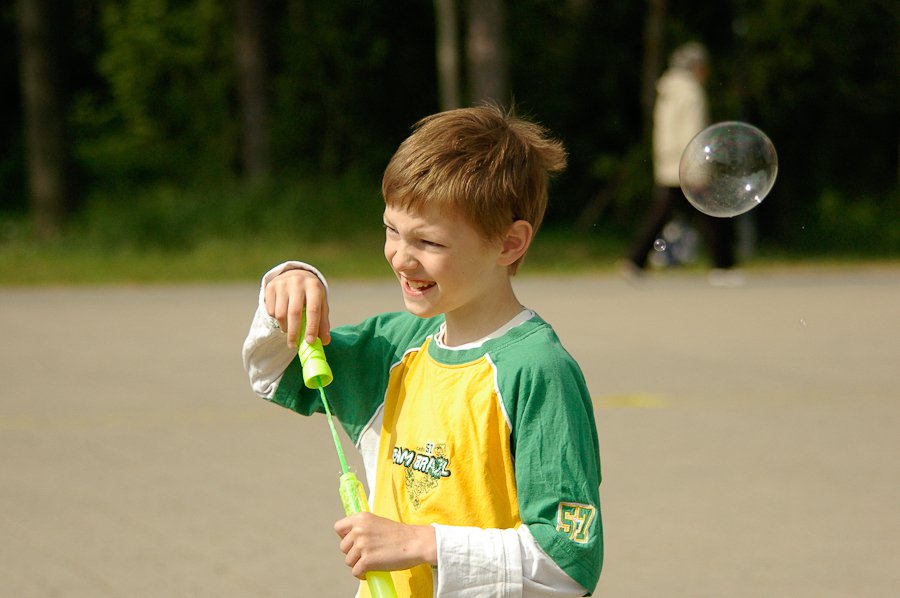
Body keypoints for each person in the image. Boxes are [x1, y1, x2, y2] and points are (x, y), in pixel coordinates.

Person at [242, 104, 603, 597]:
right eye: (391, 230)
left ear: (509, 244)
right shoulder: (395, 347)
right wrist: (288, 284)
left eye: (428, 242)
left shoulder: (538, 369)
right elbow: (273, 373)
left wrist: (422, 542)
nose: (401, 257)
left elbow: (570, 562)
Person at [621, 42, 741, 286]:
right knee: (711, 212)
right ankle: (723, 266)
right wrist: (698, 164)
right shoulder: (691, 91)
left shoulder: (668, 89)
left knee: (663, 212)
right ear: (695, 66)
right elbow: (692, 131)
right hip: (688, 163)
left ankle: (635, 260)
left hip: (669, 161)